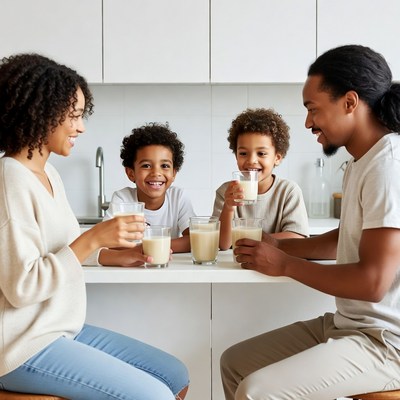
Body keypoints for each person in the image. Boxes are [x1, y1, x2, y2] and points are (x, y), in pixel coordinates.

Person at [0, 53, 189, 400]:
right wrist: (93, 239)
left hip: (60, 330)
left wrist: (115, 255)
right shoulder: (10, 179)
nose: (81, 127)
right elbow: (22, 287)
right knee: (155, 396)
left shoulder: (48, 174)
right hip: (22, 345)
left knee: (174, 375)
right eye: (73, 115)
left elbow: (66, 249)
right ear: (38, 112)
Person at [221, 45, 400, 400]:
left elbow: (372, 283)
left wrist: (285, 264)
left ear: (350, 102)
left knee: (256, 392)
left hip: (386, 343)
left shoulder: (387, 164)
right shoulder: (361, 160)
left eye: (312, 109)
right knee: (235, 363)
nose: (307, 123)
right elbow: (343, 240)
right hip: (350, 327)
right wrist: (278, 244)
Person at [212, 108, 308, 250]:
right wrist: (228, 208)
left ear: (277, 157)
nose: (251, 160)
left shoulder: (288, 191)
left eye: (261, 153)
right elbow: (223, 244)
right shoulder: (226, 192)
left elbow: (297, 237)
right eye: (243, 153)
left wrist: (249, 238)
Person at [104, 122, 196, 253]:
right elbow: (105, 239)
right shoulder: (123, 199)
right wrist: (156, 247)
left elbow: (194, 239)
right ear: (131, 173)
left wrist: (149, 246)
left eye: (164, 166)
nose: (156, 173)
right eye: (146, 165)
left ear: (174, 173)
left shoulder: (178, 197)